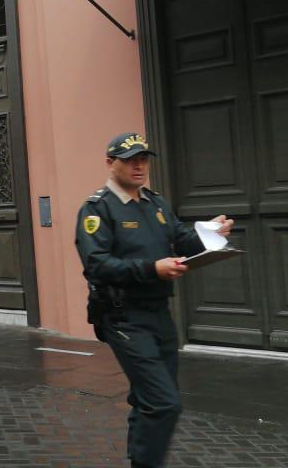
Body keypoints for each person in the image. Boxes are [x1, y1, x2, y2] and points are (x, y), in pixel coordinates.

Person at [75, 132, 233, 468]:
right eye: (130, 159)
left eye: (143, 158)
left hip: (159, 314)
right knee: (164, 403)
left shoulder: (156, 203)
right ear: (110, 163)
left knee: (148, 400)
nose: (139, 165)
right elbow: (97, 264)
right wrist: (152, 269)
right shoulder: (98, 208)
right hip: (122, 316)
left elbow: (180, 238)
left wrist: (210, 234)